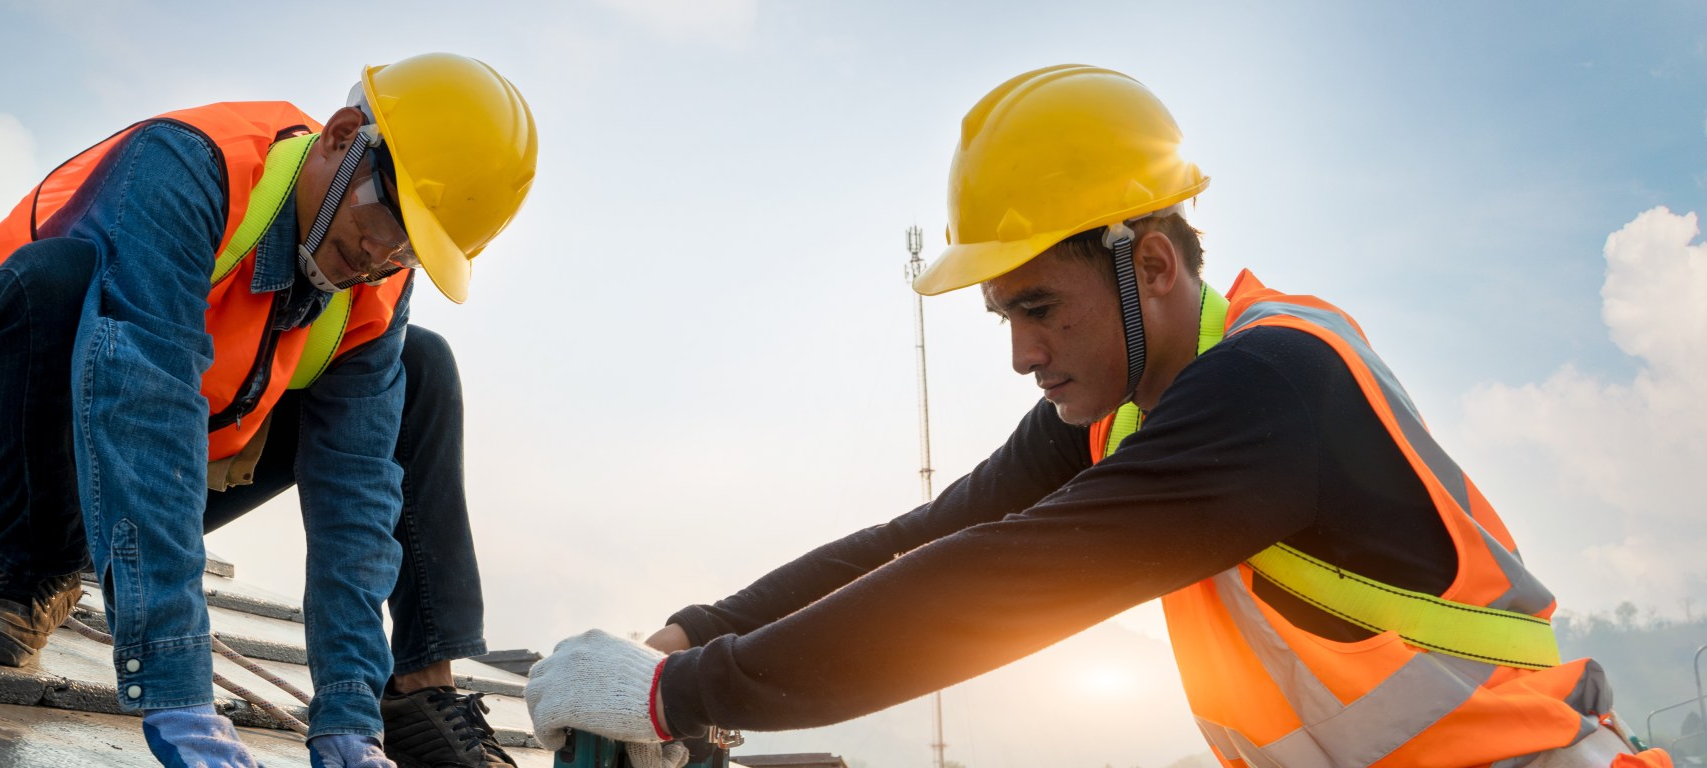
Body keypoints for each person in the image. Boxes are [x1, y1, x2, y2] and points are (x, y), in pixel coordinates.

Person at [524, 65, 1675, 768]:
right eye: (1002, 318)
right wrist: (684, 635)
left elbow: (996, 586)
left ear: (1155, 266)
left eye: (1040, 309)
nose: (1022, 354)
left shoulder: (1271, 390)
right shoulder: (1123, 406)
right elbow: (922, 542)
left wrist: (678, 700)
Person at [0, 53, 537, 768]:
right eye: (389, 223)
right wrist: (176, 688)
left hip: (124, 504)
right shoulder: (192, 168)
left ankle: (413, 693)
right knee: (55, 281)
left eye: (414, 251)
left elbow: (357, 492)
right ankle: (29, 576)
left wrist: (348, 714)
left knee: (422, 367)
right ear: (341, 136)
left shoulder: (380, 279)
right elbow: (146, 403)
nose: (383, 259)